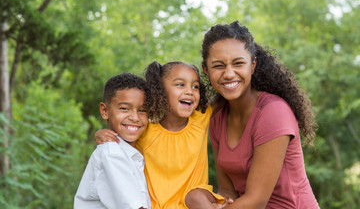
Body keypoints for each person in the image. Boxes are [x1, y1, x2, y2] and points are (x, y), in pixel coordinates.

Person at [185, 21, 320, 209]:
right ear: (206, 70)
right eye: (218, 66)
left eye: (238, 63)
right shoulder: (217, 118)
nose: (229, 74)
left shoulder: (273, 112)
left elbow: (256, 201)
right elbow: (228, 191)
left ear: (253, 65)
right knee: (194, 196)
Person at [95, 61, 227, 209]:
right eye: (180, 84)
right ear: (161, 89)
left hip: (195, 203)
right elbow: (121, 141)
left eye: (195, 86)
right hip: (156, 206)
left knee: (195, 196)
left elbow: (226, 92)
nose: (190, 91)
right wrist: (100, 133)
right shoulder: (145, 132)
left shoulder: (199, 120)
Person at [74, 73, 152, 209]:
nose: (135, 117)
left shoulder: (134, 153)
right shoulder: (111, 154)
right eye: (124, 108)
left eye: (142, 110)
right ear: (105, 111)